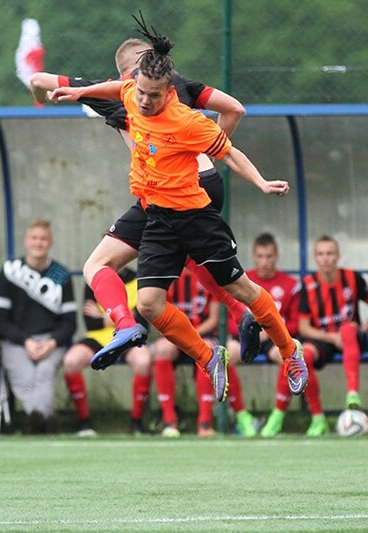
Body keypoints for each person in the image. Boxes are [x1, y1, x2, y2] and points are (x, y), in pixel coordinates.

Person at [46, 17, 308, 402]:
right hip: (158, 217)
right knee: (149, 305)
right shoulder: (132, 93)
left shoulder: (187, 122)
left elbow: (230, 153)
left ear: (169, 91)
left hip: (196, 217)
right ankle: (208, 357)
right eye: (141, 93)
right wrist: (77, 92)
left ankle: (289, 351)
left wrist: (262, 183)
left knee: (241, 288)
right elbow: (118, 88)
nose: (144, 101)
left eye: (153, 95)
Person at [29, 38, 263, 366]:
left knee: (99, 266)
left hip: (166, 194)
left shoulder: (120, 92)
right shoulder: (178, 85)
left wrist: (41, 98)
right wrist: (210, 153)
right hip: (208, 182)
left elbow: (38, 79)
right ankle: (242, 312)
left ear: (124, 73)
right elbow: (235, 109)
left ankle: (126, 325)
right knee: (191, 256)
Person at [227, 234, 327, 437]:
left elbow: (295, 323)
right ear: (253, 257)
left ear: (276, 256)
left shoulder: (290, 284)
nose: (265, 261)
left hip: (275, 338)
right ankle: (243, 417)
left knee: (291, 359)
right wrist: (254, 331)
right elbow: (230, 320)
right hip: (247, 336)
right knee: (225, 358)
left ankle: (280, 416)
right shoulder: (241, 280)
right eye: (260, 256)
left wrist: (270, 330)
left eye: (269, 256)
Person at [0, 219, 76, 433]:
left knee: (44, 373)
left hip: (51, 341)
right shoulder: (10, 270)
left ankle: (37, 422)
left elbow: (70, 322)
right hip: (17, 341)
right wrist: (25, 341)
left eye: (43, 239)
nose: (38, 243)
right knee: (25, 376)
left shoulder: (61, 274)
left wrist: (52, 342)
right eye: (34, 238)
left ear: (51, 242)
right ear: (26, 241)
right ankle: (46, 419)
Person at [62, 267, 153, 436]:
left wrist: (103, 316)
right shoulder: (93, 277)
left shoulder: (138, 279)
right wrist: (124, 315)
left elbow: (142, 321)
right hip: (98, 337)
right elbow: (90, 323)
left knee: (144, 361)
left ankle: (136, 422)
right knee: (71, 361)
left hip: (128, 336)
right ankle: (84, 423)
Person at [151, 267, 235, 437]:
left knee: (208, 349)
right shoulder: (166, 273)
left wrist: (190, 336)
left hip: (203, 334)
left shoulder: (208, 274)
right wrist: (181, 336)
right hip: (174, 334)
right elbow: (158, 313)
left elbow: (214, 319)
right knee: (162, 349)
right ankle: (169, 421)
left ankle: (205, 423)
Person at [296, 235, 368, 410]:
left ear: (338, 256)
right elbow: (303, 327)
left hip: (351, 337)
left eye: (330, 253)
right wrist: (332, 338)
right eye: (321, 254)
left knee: (348, 329)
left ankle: (353, 394)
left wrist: (364, 328)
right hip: (323, 338)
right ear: (315, 258)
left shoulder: (353, 278)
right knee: (303, 356)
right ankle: (317, 416)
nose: (325, 258)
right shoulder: (308, 284)